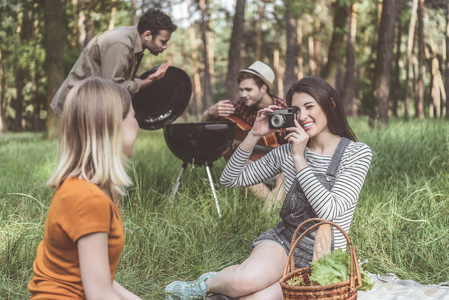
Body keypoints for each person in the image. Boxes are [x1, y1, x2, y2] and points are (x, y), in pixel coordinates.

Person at [165, 76, 372, 300]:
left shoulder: (356, 153)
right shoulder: (286, 152)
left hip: (324, 258)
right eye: (296, 110)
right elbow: (230, 178)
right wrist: (253, 135)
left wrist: (300, 158)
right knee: (243, 281)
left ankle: (229, 288)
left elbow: (329, 212)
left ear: (330, 104)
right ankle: (207, 285)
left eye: (309, 106)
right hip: (284, 242)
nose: (302, 117)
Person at [29, 78, 141, 299]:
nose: (138, 124)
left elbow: (99, 277)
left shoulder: (98, 189)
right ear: (112, 125)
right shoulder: (88, 198)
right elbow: (99, 295)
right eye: (134, 117)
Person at [50, 8, 177, 116]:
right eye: (163, 41)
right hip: (77, 105)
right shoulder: (121, 44)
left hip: (90, 104)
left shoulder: (136, 43)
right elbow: (112, 88)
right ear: (147, 35)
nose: (165, 47)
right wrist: (146, 82)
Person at [202, 61, 288, 205]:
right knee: (239, 166)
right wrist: (210, 112)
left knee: (289, 166)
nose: (244, 94)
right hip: (257, 166)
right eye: (242, 90)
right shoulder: (240, 106)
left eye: (248, 90)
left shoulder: (282, 108)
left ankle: (271, 206)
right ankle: (272, 206)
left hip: (283, 167)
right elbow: (205, 123)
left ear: (263, 88)